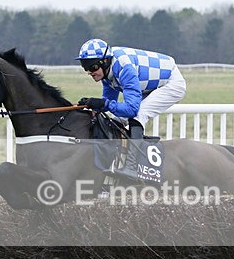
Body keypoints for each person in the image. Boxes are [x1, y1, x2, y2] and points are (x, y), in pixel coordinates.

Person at [76, 38, 186, 181]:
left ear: (105, 61)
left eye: (92, 67)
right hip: (149, 85)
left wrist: (103, 104)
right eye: (85, 67)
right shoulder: (107, 70)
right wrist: (94, 106)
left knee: (138, 115)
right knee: (115, 119)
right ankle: (116, 160)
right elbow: (108, 100)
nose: (89, 72)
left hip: (171, 83)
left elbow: (131, 109)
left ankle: (132, 166)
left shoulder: (124, 67)